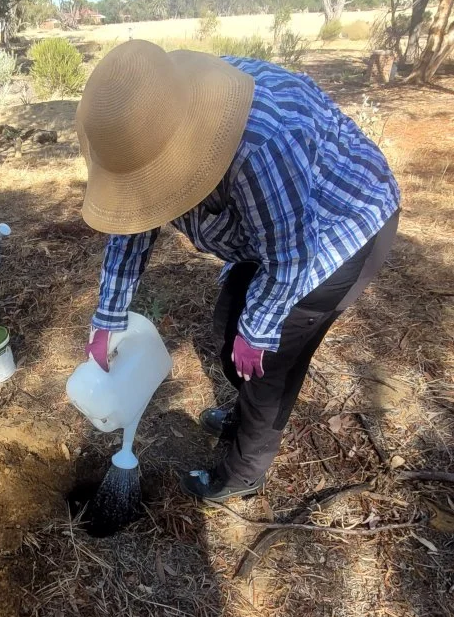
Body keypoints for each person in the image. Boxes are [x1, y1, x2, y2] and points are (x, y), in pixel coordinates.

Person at [76, 41, 400, 504]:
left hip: (338, 224)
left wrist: (261, 328)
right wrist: (107, 317)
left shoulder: (261, 142)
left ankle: (245, 469)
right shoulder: (145, 122)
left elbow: (290, 255)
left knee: (268, 360)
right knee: (230, 340)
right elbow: (134, 220)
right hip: (270, 231)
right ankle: (243, 411)